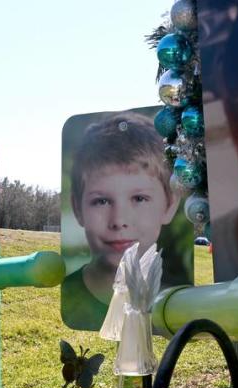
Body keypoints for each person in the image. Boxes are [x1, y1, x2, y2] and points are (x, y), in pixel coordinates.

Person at [61, 113, 180, 330]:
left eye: (139, 198)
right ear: (77, 207)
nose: (119, 221)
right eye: (102, 201)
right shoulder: (70, 293)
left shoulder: (178, 304)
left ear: (170, 204)